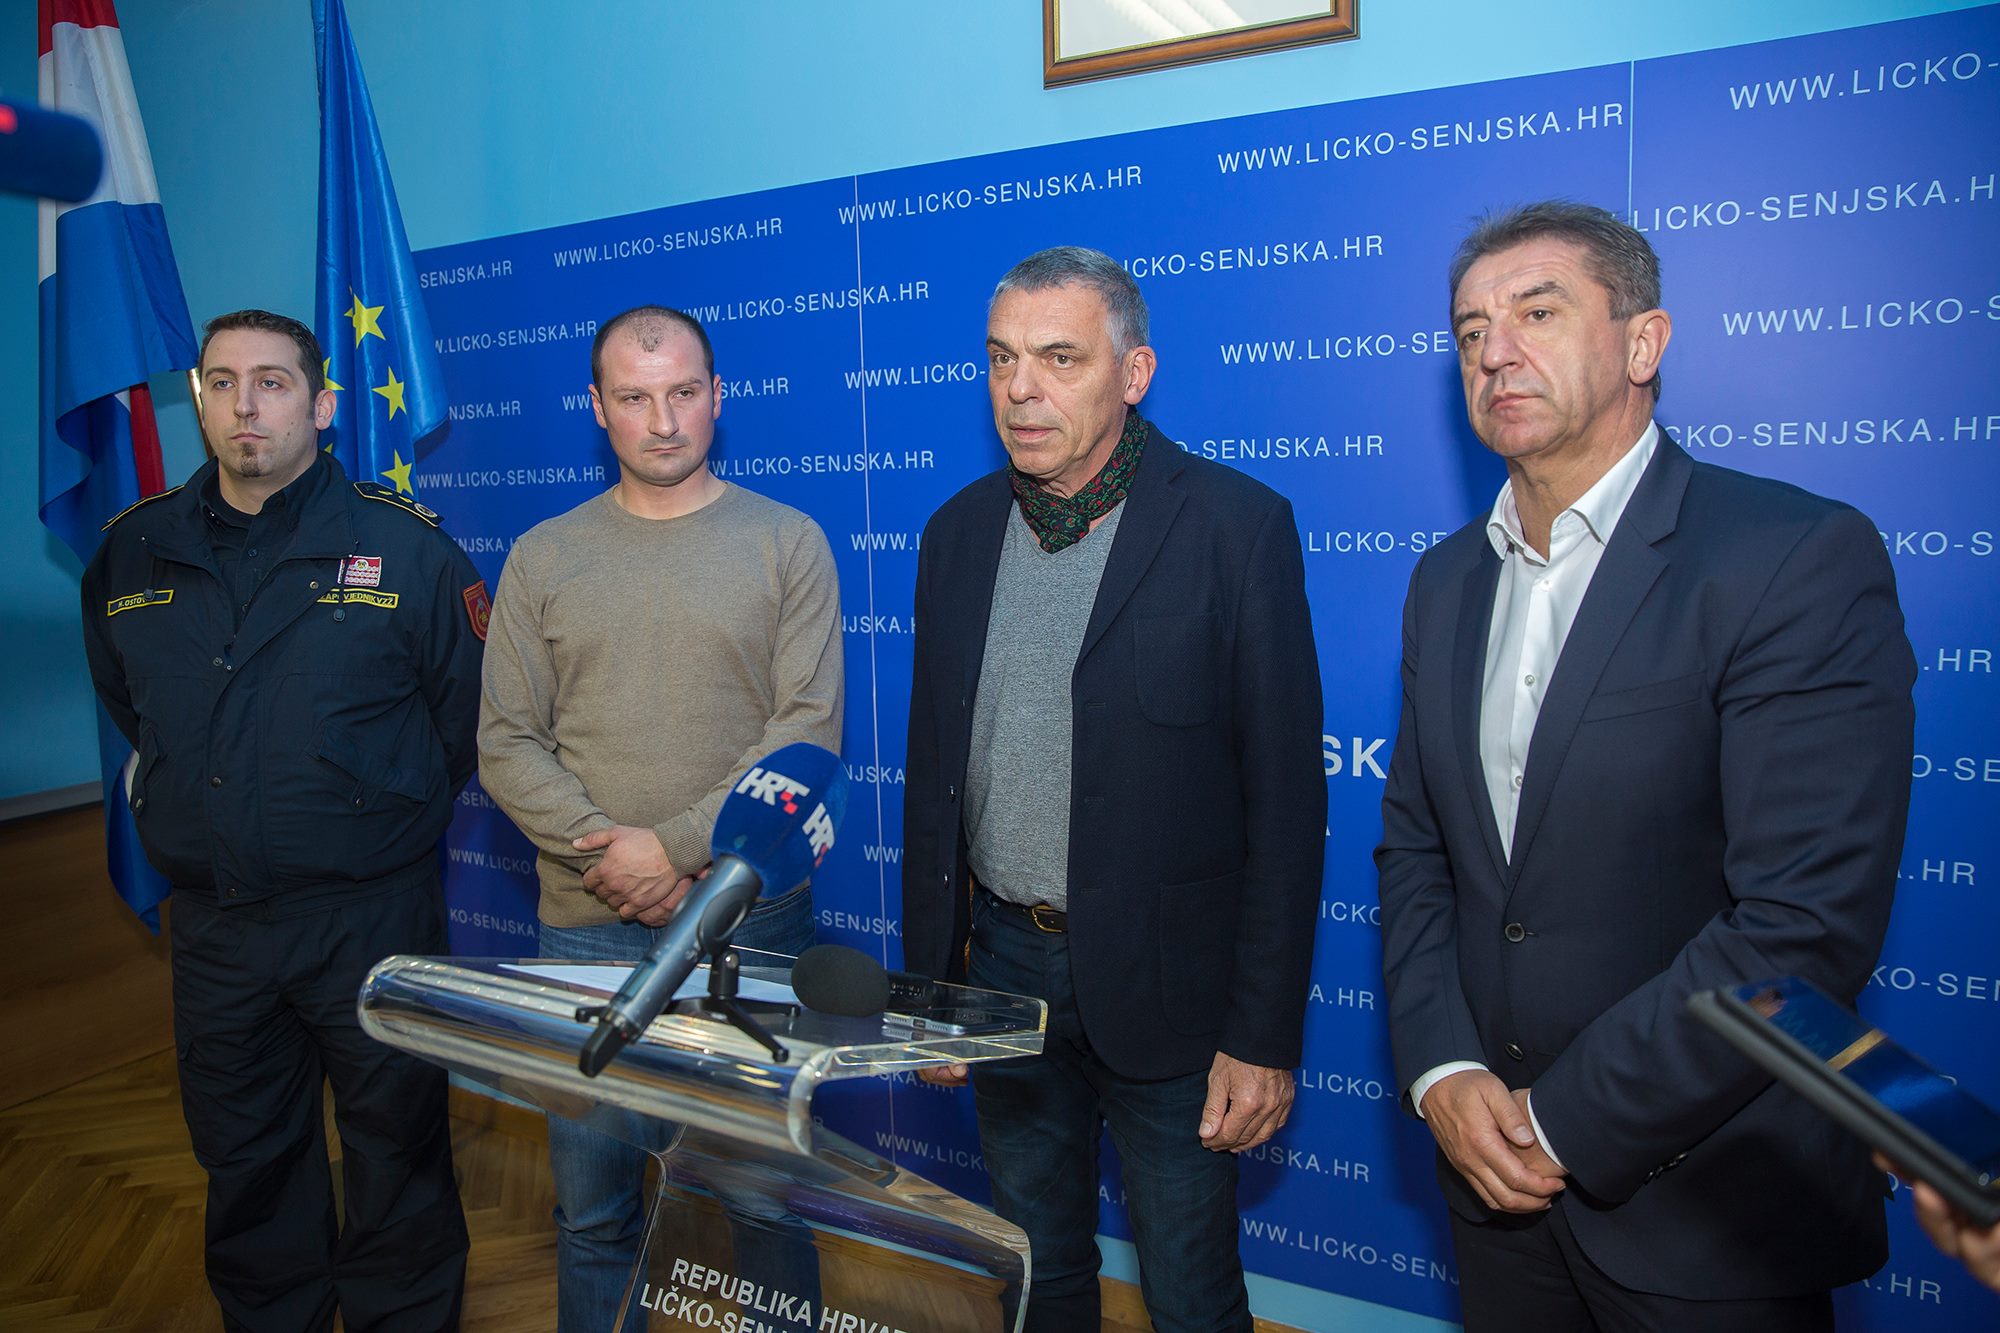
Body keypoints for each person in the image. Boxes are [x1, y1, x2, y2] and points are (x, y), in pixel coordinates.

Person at [1375, 201, 1917, 1331]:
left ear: (1642, 343)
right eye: (1469, 329)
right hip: (1488, 1187)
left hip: (1710, 1207)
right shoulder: (1444, 581)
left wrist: (1559, 1119)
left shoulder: (1788, 557)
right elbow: (1420, 852)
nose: (1494, 351)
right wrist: (1442, 1071)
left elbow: (1801, 923)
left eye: (1536, 313)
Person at [901, 246, 1325, 1332]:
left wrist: (1262, 1036)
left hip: (1174, 986)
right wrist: (933, 987)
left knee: (1190, 1294)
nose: (1019, 388)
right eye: (1000, 358)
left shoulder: (1235, 526)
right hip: (1003, 971)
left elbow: (1287, 809)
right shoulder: (955, 535)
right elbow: (931, 779)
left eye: (1058, 358)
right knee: (1035, 1270)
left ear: (1133, 373)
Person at [80, 309, 480, 1331]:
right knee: (247, 1160)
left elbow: (460, 725)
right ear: (200, 401)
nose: (244, 406)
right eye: (221, 383)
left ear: (323, 404)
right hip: (217, 929)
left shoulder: (407, 550)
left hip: (371, 920)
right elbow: (136, 714)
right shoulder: (132, 552)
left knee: (397, 1156)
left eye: (271, 381)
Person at [478, 304, 842, 1331]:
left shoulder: (788, 541)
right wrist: (616, 856)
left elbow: (804, 733)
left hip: (748, 919)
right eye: (635, 398)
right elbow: (506, 741)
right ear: (598, 409)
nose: (664, 420)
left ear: (718, 396)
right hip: (586, 923)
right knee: (595, 1209)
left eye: (684, 392)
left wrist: (675, 851)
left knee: (764, 1199)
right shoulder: (543, 555)